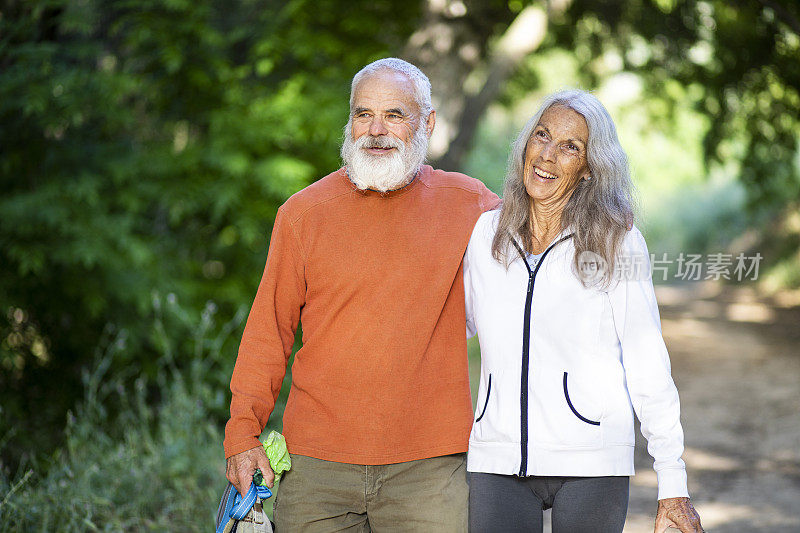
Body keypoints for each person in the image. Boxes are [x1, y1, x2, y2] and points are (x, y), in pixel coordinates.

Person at [223, 57, 499, 532]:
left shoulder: (470, 204)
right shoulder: (303, 214)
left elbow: (546, 246)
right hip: (317, 467)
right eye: (362, 113)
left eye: (394, 114)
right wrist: (242, 434)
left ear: (427, 123)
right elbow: (269, 331)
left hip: (430, 469)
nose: (375, 129)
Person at [464, 89, 704, 533]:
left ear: (591, 168)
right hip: (496, 456)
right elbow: (450, 327)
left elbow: (647, 360)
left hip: (592, 459)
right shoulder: (485, 235)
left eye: (570, 147)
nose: (548, 155)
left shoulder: (617, 241)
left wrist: (673, 479)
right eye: (542, 136)